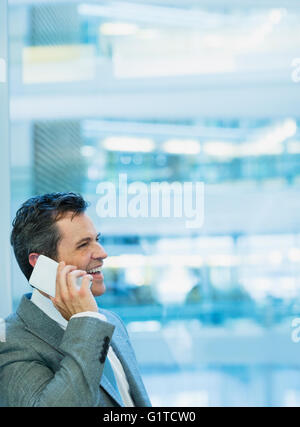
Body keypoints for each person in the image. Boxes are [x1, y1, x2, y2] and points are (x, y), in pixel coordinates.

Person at [0, 192, 151, 407]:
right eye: (83, 244)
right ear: (41, 263)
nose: (102, 253)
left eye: (96, 240)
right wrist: (86, 320)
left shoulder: (109, 321)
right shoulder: (11, 342)